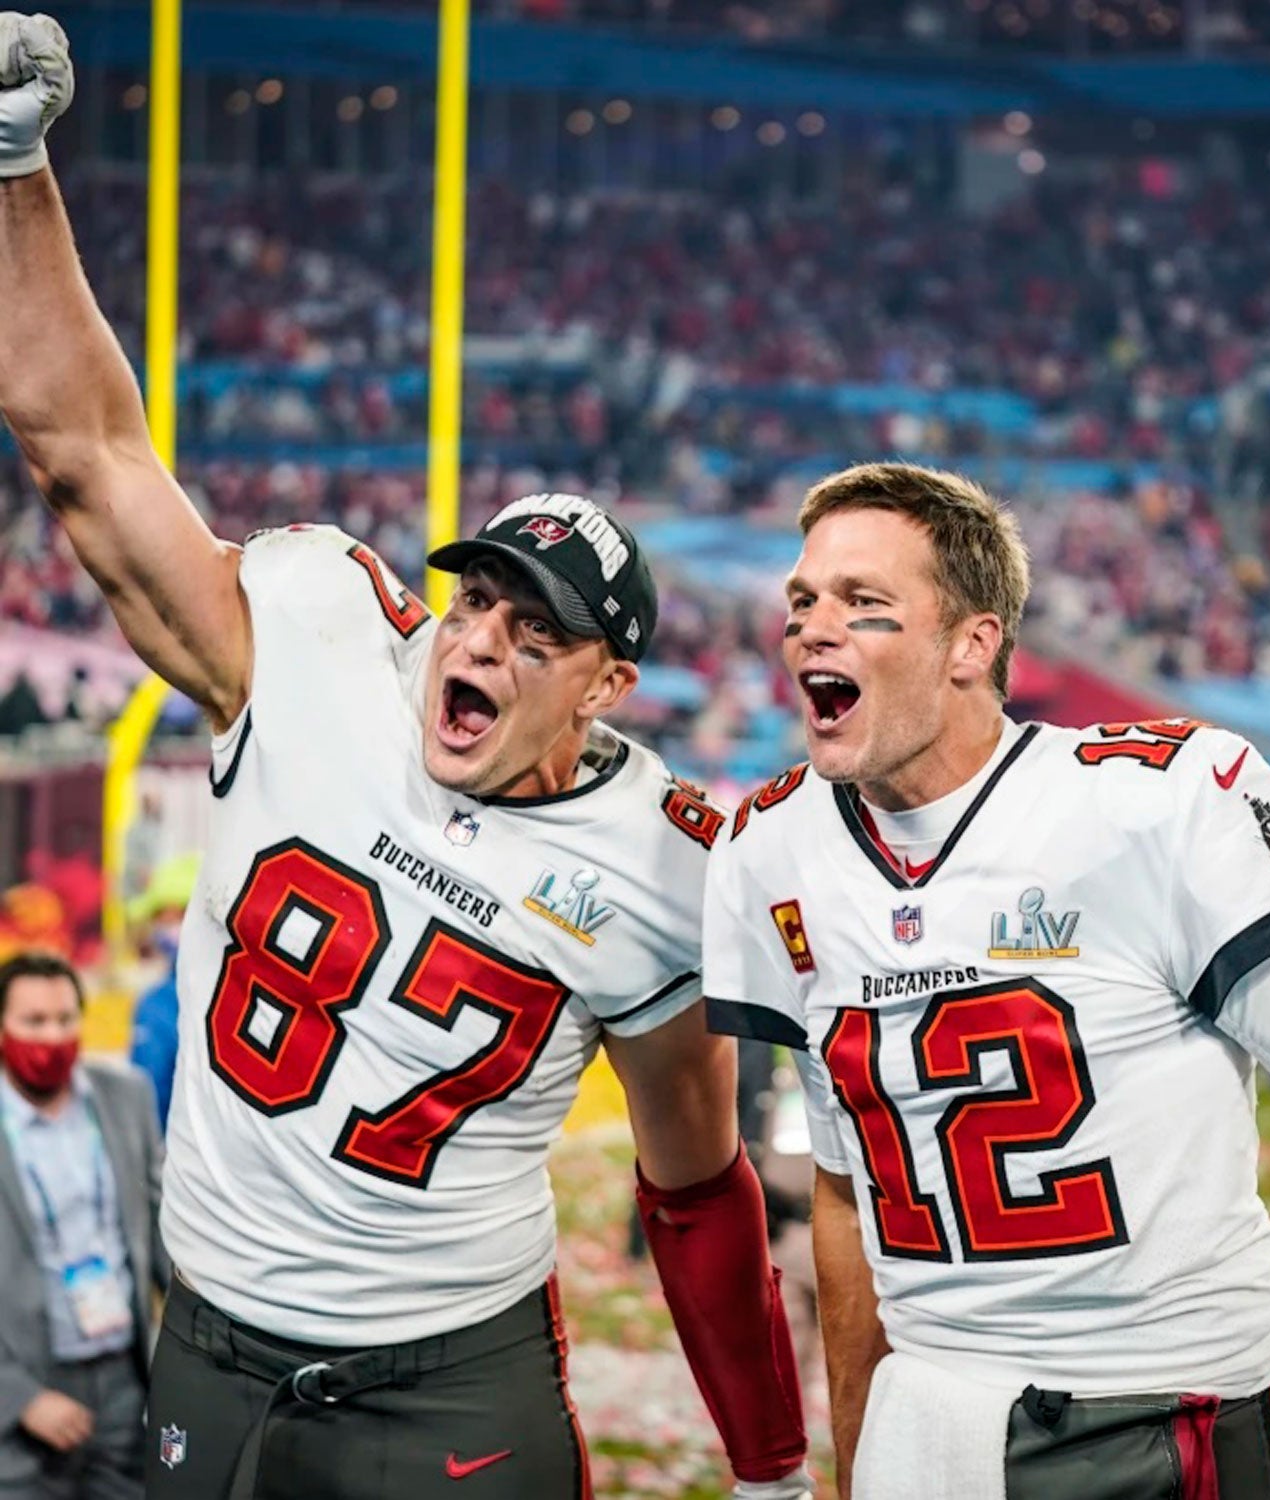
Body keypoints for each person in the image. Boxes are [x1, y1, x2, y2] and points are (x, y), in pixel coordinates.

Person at [0, 22, 807, 1500]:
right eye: (477, 600)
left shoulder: (656, 860)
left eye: (535, 633)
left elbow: (694, 1187)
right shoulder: (314, 643)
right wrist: (12, 169)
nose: (481, 644)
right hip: (212, 1340)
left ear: (607, 687)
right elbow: (86, 457)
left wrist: (765, 1466)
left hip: (451, 1378)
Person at [702, 460, 1270, 1500]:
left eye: (865, 604)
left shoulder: (1153, 807)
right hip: (932, 1423)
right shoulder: (773, 849)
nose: (812, 626)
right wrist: (856, 1459)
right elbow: (852, 1192)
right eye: (804, 600)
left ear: (971, 644)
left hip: (1177, 1415)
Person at [0, 951, 168, 1500]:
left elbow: (162, 1229)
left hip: (124, 1375)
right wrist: (18, 1396)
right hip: (26, 1384)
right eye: (34, 1021)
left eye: (66, 1018)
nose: (53, 1036)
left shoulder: (125, 1097)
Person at [125, 855, 201, 1133]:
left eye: (176, 915)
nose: (165, 928)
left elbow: (146, 1097)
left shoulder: (157, 1005)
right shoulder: (158, 1000)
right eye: (160, 919)